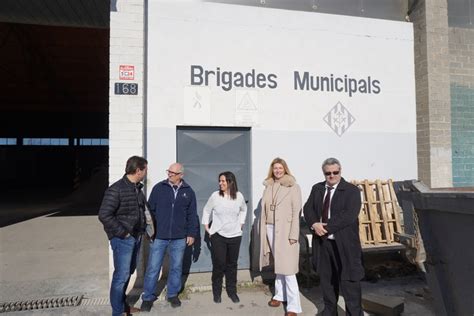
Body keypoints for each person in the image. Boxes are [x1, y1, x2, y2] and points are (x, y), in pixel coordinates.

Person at [303, 158, 364, 316]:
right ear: (324, 173)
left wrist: (325, 228)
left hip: (344, 244)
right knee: (327, 281)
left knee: (350, 283)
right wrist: (314, 224)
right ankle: (330, 311)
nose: (332, 176)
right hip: (323, 244)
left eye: (335, 172)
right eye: (328, 173)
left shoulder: (351, 190)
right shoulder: (317, 188)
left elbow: (349, 215)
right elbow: (308, 208)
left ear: (340, 171)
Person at [141, 163, 199, 311]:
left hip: (179, 238)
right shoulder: (159, 188)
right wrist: (149, 231)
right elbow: (149, 212)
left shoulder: (188, 192)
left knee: (176, 267)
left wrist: (191, 233)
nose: (170, 174)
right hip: (159, 236)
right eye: (169, 171)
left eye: (173, 172)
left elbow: (192, 215)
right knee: (153, 267)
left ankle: (172, 294)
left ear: (181, 175)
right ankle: (147, 297)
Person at [98, 156, 149, 316]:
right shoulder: (116, 189)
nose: (146, 172)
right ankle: (118, 311)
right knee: (121, 276)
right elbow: (104, 215)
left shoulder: (137, 188)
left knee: (128, 272)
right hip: (123, 239)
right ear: (138, 170)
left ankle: (124, 306)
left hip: (136, 236)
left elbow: (141, 211)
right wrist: (124, 233)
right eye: (145, 169)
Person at [259, 158, 303, 316]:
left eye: (280, 168)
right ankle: (279, 295)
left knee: (288, 268)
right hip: (270, 228)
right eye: (275, 168)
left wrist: (293, 234)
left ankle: (294, 306)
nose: (277, 171)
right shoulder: (268, 186)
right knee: (279, 264)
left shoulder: (293, 187)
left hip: (285, 230)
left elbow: (297, 212)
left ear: (285, 169)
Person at [202, 171, 247, 304]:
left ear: (230, 182)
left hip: (235, 236)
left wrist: (241, 223)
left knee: (232, 265)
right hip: (218, 236)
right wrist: (207, 227)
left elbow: (244, 209)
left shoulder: (238, 196)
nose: (220, 183)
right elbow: (206, 210)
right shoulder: (215, 196)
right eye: (219, 181)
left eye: (223, 181)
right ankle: (217, 293)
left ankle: (232, 291)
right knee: (219, 264)